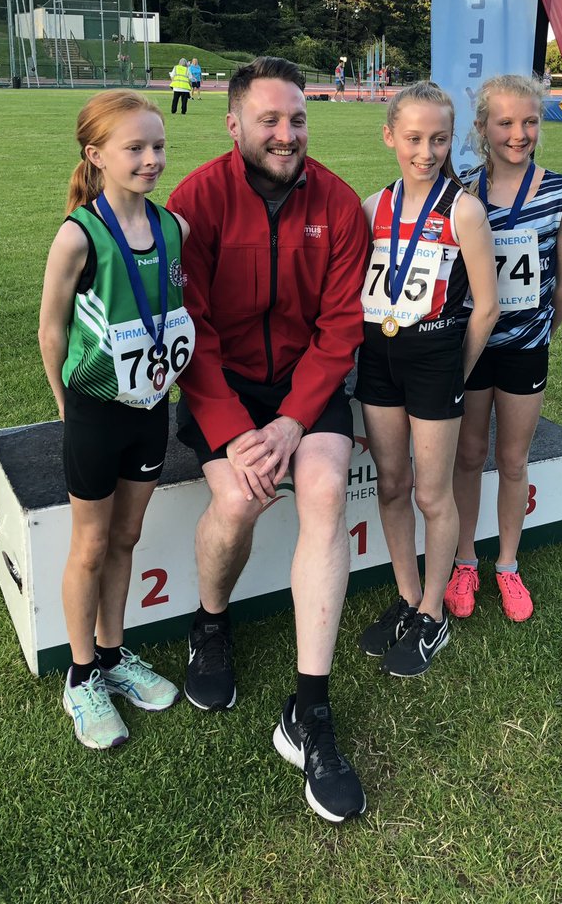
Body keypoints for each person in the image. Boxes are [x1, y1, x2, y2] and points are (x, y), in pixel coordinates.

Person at [167, 56, 370, 824]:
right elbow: (191, 328)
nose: (288, 135)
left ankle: (308, 714)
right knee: (242, 498)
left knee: (321, 488)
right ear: (234, 125)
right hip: (224, 384)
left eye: (298, 119)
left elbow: (341, 324)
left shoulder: (340, 203)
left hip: (305, 387)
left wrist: (293, 419)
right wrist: (232, 430)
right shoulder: (197, 200)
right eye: (270, 121)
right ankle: (210, 624)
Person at [38, 90, 193, 750]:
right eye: (136, 148)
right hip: (96, 413)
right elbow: (51, 329)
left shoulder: (173, 227)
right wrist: (64, 405)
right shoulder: (80, 234)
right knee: (91, 545)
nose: (152, 159)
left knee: (126, 538)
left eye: (158, 146)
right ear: (97, 156)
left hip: (150, 409)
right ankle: (81, 677)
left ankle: (112, 653)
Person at [354, 81, 499, 677]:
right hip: (378, 355)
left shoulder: (463, 208)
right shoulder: (372, 207)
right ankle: (409, 597)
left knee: (430, 494)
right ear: (390, 136)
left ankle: (434, 614)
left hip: (437, 358)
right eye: (413, 138)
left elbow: (486, 307)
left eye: (438, 139)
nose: (426, 150)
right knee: (391, 484)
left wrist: (453, 374)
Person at [444, 74, 562, 624]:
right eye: (505, 122)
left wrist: (544, 332)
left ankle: (506, 564)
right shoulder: (464, 192)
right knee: (469, 454)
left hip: (526, 347)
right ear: (482, 128)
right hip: (475, 345)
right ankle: (463, 561)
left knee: (513, 458)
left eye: (528, 122)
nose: (518, 134)